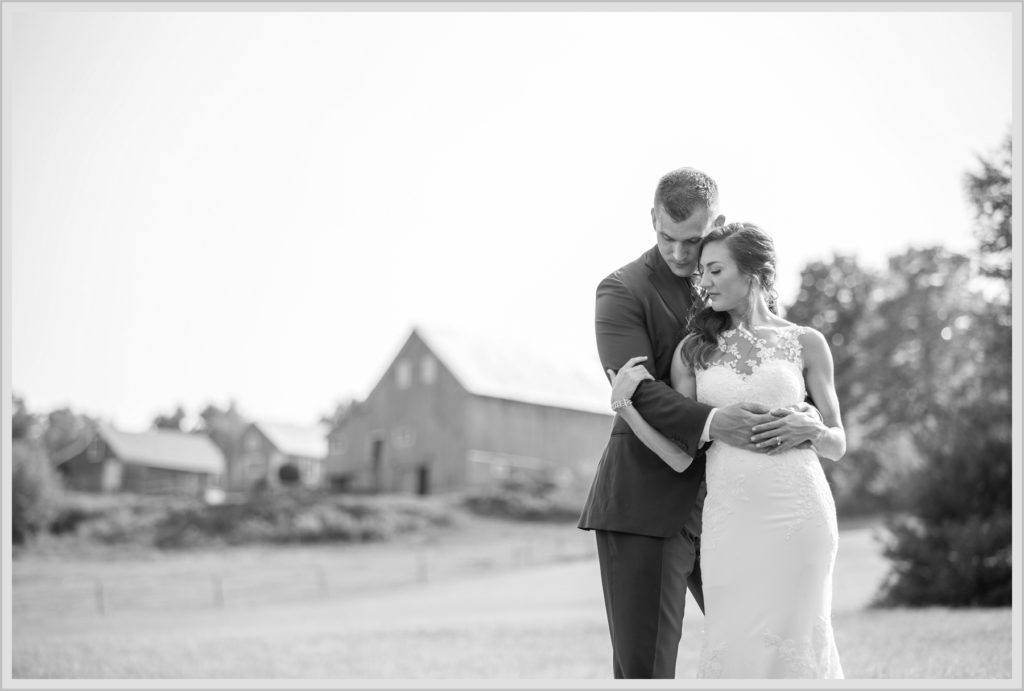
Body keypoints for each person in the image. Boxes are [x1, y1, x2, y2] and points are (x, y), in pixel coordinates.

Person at [577, 167, 820, 679]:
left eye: (692, 241)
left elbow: (776, 365)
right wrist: (714, 421)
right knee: (647, 672)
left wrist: (808, 416)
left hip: (734, 506)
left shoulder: (734, 280)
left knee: (763, 651)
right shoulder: (621, 290)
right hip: (646, 504)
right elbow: (640, 390)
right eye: (667, 237)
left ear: (718, 223)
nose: (681, 255)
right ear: (652, 220)